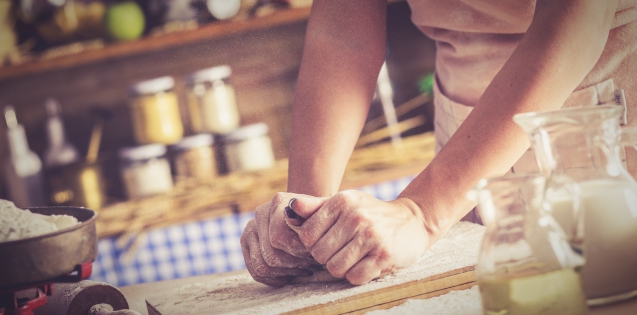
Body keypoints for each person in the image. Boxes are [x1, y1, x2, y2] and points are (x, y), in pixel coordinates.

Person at [240, 0, 637, 287]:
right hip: (461, 142)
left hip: (595, 116)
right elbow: (342, 36)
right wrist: (309, 217)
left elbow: (575, 24)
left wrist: (420, 212)